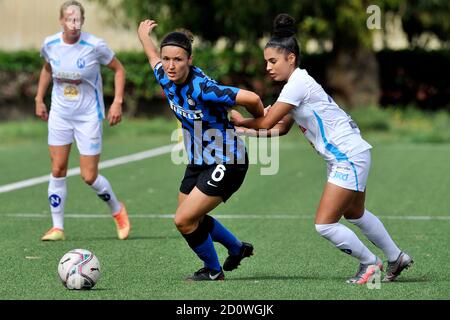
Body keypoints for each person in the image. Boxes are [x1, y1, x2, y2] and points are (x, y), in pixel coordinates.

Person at [231, 13, 413, 284]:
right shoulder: (298, 84)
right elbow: (279, 128)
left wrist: (239, 119)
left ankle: (370, 264)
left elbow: (268, 120)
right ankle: (396, 257)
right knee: (355, 213)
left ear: (290, 58)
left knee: (324, 224)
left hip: (347, 156)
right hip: (351, 153)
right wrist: (242, 130)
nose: (268, 67)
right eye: (266, 62)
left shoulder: (297, 85)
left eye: (273, 61)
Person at [137, 19, 265, 281]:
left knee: (184, 220)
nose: (171, 65)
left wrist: (258, 122)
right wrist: (143, 35)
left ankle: (213, 271)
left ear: (190, 59)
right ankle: (237, 249)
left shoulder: (203, 88)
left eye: (178, 60)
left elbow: (252, 98)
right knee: (193, 217)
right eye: (167, 59)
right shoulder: (164, 74)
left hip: (228, 160)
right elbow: (152, 57)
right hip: (199, 161)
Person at [35, 0, 130, 241]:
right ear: (61, 21)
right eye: (69, 19)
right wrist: (39, 98)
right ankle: (57, 227)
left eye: (78, 19)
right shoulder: (50, 44)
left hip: (88, 116)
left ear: (83, 21)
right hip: (60, 114)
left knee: (89, 176)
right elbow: (47, 68)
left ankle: (118, 211)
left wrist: (117, 101)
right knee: (57, 169)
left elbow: (119, 69)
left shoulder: (95, 45)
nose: (74, 24)